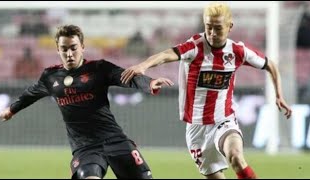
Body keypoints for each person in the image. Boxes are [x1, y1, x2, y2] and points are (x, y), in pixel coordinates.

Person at [120, 2, 292, 179]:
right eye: (208, 27)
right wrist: (143, 65)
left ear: (229, 27)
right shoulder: (195, 46)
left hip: (223, 120)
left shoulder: (237, 51)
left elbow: (270, 64)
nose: (212, 33)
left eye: (218, 28)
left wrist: (279, 95)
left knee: (236, 157)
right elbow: (166, 55)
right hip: (196, 129)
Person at [0, 24, 174, 179]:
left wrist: (150, 83)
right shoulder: (50, 77)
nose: (69, 53)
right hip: (85, 148)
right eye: (64, 49)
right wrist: (11, 110)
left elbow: (126, 77)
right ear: (58, 49)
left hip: (115, 141)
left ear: (82, 47)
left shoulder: (99, 68)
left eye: (73, 47)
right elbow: (30, 94)